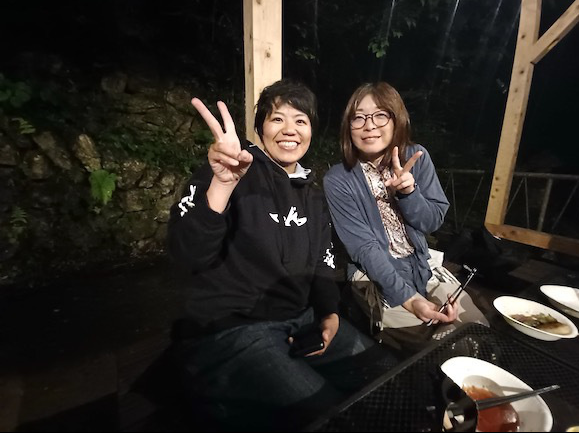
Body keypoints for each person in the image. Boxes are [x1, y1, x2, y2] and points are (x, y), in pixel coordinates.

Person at [167, 79, 377, 431]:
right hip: (231, 330)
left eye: (301, 120)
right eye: (277, 119)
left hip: (299, 321)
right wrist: (221, 185)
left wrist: (329, 314)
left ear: (311, 131)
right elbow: (187, 254)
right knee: (331, 417)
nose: (289, 130)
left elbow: (323, 261)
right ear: (261, 128)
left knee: (383, 372)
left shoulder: (312, 195)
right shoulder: (230, 171)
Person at [323, 82, 487, 347]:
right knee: (436, 347)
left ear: (396, 119)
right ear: (348, 126)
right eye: (359, 117)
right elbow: (364, 248)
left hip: (423, 266)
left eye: (380, 115)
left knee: (476, 330)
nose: (369, 125)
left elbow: (432, 222)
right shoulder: (339, 179)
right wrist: (410, 300)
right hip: (375, 274)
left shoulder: (416, 157)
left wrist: (409, 193)